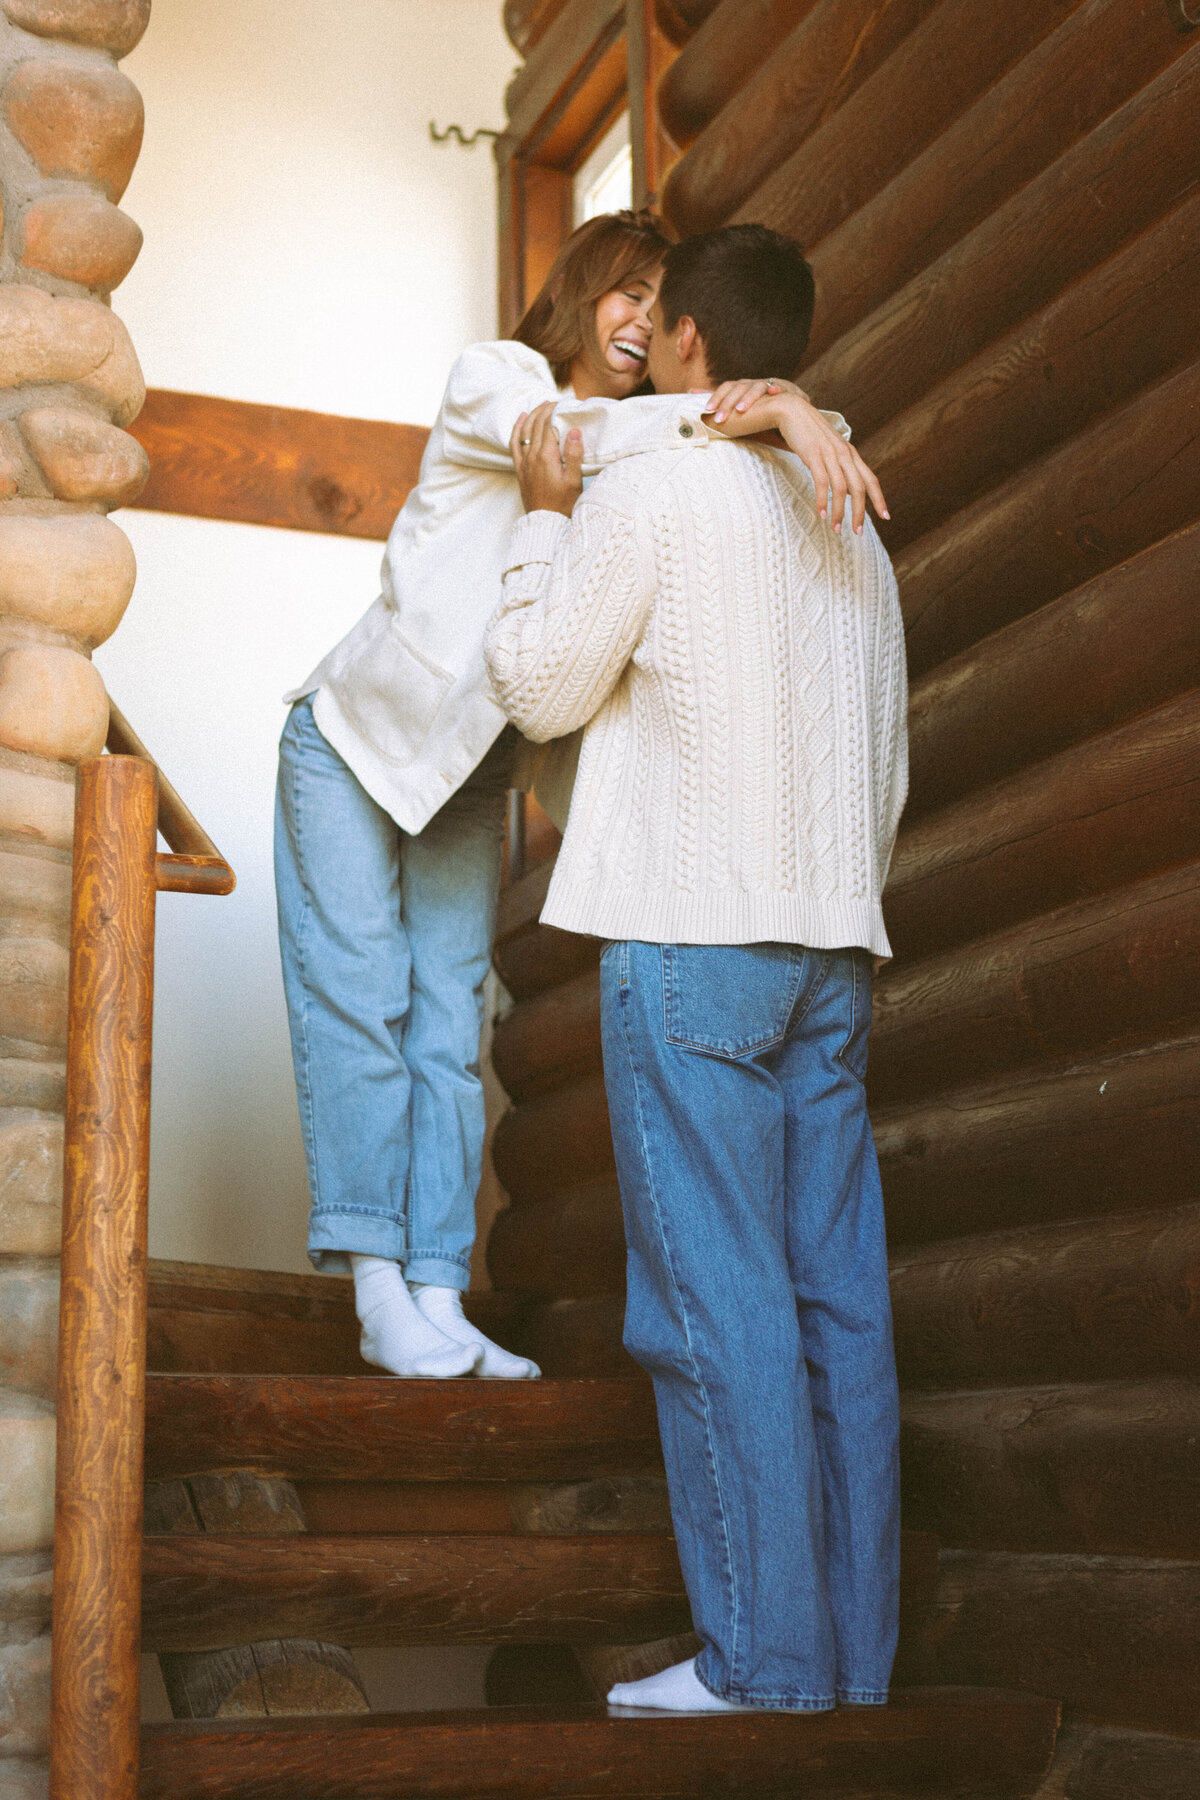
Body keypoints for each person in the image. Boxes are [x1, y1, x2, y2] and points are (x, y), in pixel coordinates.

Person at [275, 211, 886, 1381]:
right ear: (577, 296)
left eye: (664, 302)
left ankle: (440, 1293)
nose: (645, 319)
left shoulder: (644, 464)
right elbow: (570, 440)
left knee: (452, 1027)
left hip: (465, 780)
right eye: (625, 290)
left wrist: (789, 410)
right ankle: (372, 1289)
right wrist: (789, 406)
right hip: (350, 746)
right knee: (364, 1009)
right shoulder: (497, 383)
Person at [484, 223, 906, 1707]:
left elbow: (536, 679)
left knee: (714, 1301)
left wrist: (539, 522)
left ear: (683, 349)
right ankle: (847, 1668)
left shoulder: (656, 491)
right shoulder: (855, 519)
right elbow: (888, 772)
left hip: (692, 936)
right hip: (831, 952)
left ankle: (762, 1665)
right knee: (833, 1306)